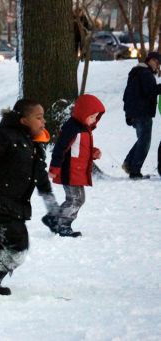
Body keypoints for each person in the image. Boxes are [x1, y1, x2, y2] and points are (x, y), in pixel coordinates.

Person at [0, 99, 59, 295]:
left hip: (14, 204)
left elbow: (40, 176)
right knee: (17, 247)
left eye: (43, 117)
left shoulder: (35, 147)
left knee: (14, 243)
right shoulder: (4, 135)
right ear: (24, 120)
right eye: (38, 118)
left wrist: (50, 202)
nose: (44, 122)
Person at [43, 94, 105, 237]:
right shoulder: (72, 128)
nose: (94, 120)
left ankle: (54, 219)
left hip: (77, 172)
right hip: (69, 171)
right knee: (76, 199)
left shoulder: (83, 128)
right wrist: (54, 168)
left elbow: (79, 149)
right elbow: (60, 148)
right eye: (91, 116)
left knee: (77, 199)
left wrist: (93, 153)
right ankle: (62, 224)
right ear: (83, 113)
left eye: (96, 117)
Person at [122, 51, 161, 179]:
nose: (157, 65)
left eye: (158, 63)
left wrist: (128, 113)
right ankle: (134, 171)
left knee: (142, 140)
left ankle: (129, 163)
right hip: (142, 113)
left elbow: (126, 95)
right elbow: (151, 91)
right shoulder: (145, 73)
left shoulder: (136, 72)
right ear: (149, 60)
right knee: (145, 142)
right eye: (156, 61)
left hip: (135, 112)